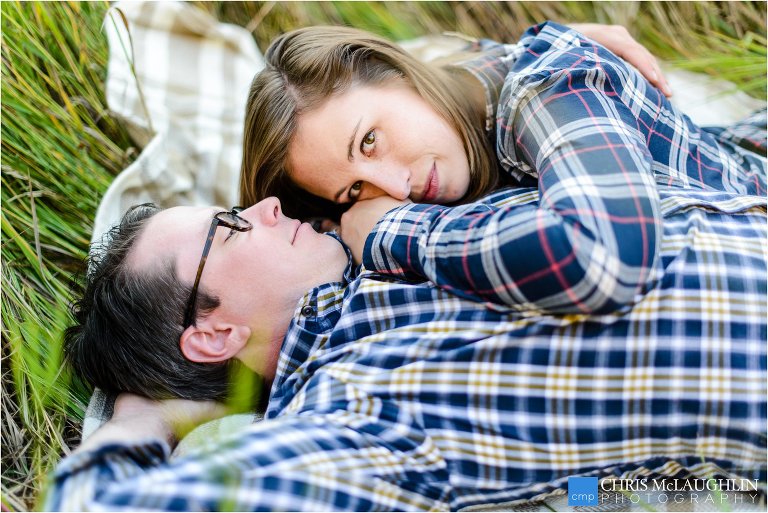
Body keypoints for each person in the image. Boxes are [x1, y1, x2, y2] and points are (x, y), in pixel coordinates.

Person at [48, 169, 766, 510]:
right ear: (214, 333)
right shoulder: (358, 408)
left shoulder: (394, 230)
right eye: (228, 227)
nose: (265, 207)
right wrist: (148, 414)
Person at [238, 22, 766, 257]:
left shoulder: (541, 86)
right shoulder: (454, 114)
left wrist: (396, 235)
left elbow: (602, 254)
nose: (394, 188)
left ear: (392, 71)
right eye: (354, 189)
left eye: (370, 141)